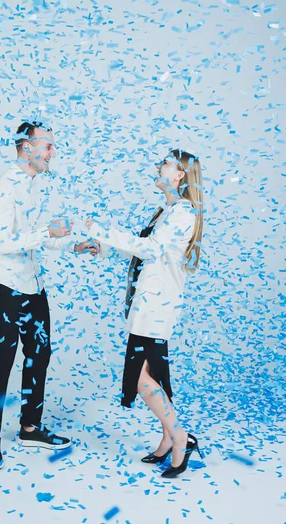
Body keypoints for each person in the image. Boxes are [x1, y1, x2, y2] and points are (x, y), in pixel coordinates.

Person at [0, 120, 97, 470]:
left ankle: (29, 427)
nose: (52, 153)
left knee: (39, 352)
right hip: (2, 283)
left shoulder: (33, 186)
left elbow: (37, 237)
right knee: (3, 356)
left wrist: (72, 244)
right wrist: (46, 230)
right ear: (27, 147)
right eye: (48, 146)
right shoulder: (2, 187)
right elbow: (1, 243)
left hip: (31, 283)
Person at [86, 149, 204, 478]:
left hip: (157, 308)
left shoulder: (183, 213)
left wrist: (100, 230)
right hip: (148, 307)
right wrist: (103, 246)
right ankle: (168, 437)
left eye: (165, 163)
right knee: (155, 376)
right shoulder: (165, 211)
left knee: (140, 380)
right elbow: (143, 249)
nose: (157, 166)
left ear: (180, 174)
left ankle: (179, 436)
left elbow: (151, 250)